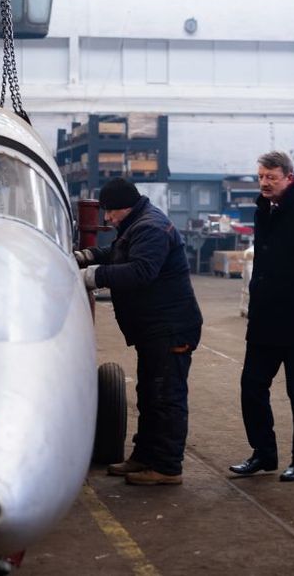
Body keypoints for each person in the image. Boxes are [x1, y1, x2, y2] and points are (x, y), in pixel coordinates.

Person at [75, 177, 203, 485]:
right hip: (154, 328)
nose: (107, 218)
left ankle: (167, 468)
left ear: (126, 206)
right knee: (149, 395)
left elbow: (141, 270)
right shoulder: (137, 223)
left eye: (111, 211)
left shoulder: (151, 227)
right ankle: (144, 457)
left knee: (166, 397)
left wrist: (93, 277)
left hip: (170, 328)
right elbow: (120, 253)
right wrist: (86, 257)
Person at [229, 151, 294, 482]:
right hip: (265, 319)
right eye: (261, 176)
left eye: (271, 177)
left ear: (289, 177)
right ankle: (264, 453)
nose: (264, 183)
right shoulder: (263, 210)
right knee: (251, 387)